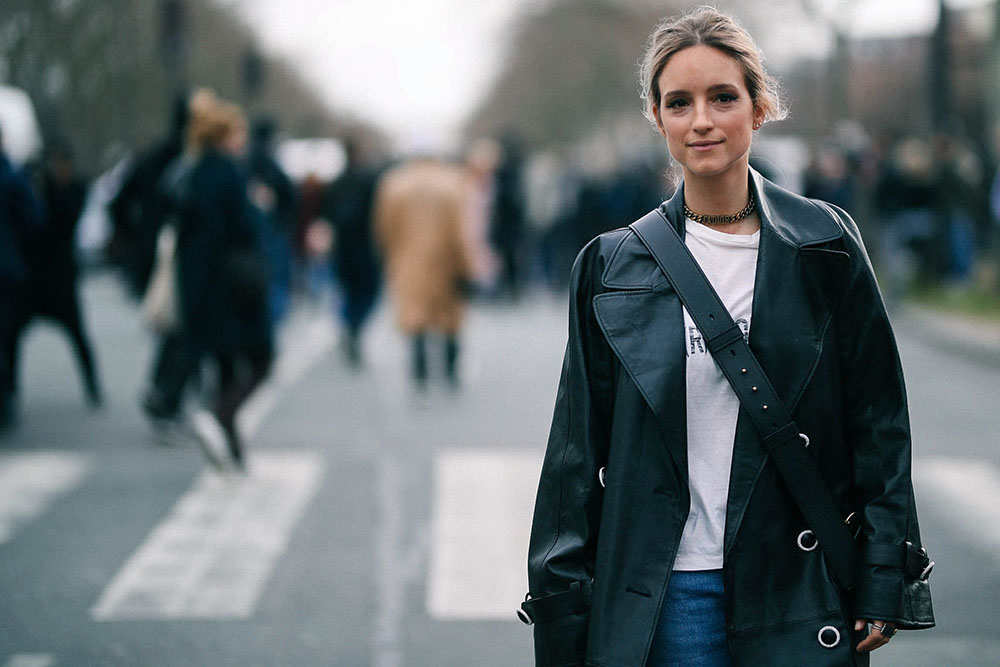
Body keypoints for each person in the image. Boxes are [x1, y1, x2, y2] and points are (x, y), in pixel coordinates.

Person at [524, 8, 934, 667]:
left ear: (759, 104)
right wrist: (560, 611)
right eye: (678, 102)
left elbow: (879, 424)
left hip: (798, 586)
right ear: (657, 119)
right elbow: (573, 457)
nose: (702, 120)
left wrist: (885, 571)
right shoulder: (610, 266)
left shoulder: (825, 244)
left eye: (722, 96)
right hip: (667, 593)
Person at [13, 140, 103, 408]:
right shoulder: (40, 187)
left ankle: (93, 386)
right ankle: (11, 391)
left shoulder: (74, 188)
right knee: (13, 336)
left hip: (61, 276)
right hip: (36, 276)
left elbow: (64, 216)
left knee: (77, 334)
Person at [374, 157, 472, 388]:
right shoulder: (454, 182)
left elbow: (384, 227)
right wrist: (465, 264)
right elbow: (462, 230)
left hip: (408, 259)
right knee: (449, 317)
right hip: (446, 259)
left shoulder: (394, 183)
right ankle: (450, 369)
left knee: (416, 316)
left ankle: (420, 372)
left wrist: (390, 254)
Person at [321, 137, 381, 365]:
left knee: (348, 290)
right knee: (367, 291)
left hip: (342, 247)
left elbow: (326, 214)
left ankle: (350, 325)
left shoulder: (336, 183)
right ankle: (355, 326)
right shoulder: (369, 180)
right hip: (364, 246)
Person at [0, 125, 44, 427]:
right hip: (7, 268)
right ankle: (7, 395)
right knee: (7, 338)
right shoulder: (12, 177)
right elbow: (34, 221)